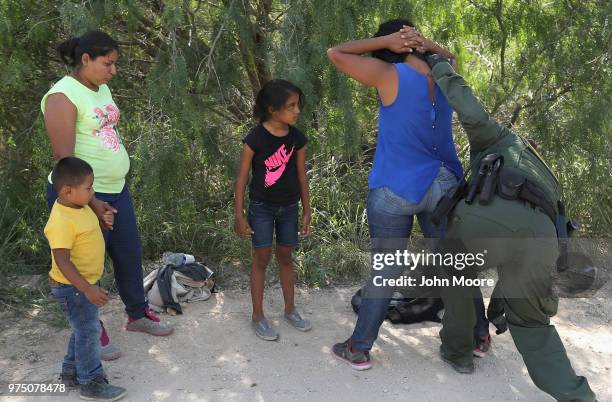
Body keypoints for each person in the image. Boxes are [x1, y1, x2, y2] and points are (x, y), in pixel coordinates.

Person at [419, 50, 597, 400]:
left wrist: (437, 64)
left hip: (485, 219)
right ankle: (579, 397)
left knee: (454, 278)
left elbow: (469, 109)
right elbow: (539, 252)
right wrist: (502, 305)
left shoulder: (503, 139)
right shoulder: (551, 184)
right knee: (534, 327)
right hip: (543, 239)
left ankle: (458, 353)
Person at [326, 19, 490, 370]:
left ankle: (358, 348)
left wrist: (383, 40)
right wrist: (426, 44)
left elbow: (335, 53)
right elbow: (450, 57)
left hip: (395, 188)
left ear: (392, 44)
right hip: (443, 186)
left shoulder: (389, 74)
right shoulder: (445, 75)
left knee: (386, 268)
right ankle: (479, 335)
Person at [41, 31, 173, 361]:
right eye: (108, 63)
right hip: (81, 197)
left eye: (115, 64)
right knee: (86, 264)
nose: (113, 71)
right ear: (85, 59)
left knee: (129, 253)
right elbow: (64, 160)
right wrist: (93, 202)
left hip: (116, 190)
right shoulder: (62, 96)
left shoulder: (100, 87)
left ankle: (137, 314)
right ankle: (91, 327)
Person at [234, 79, 312, 340]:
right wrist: (239, 215)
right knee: (261, 259)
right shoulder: (255, 138)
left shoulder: (297, 139)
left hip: (289, 207)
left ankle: (290, 310)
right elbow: (242, 179)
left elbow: (302, 176)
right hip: (262, 208)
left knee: (286, 257)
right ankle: (258, 316)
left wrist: (307, 210)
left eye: (298, 105)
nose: (297, 110)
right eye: (291, 106)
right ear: (272, 109)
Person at [45, 157, 127, 401]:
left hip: (83, 285)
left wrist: (105, 220)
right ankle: (90, 382)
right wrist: (87, 289)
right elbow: (62, 261)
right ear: (68, 191)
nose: (93, 192)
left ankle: (70, 373)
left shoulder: (79, 207)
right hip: (74, 287)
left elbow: (91, 231)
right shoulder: (61, 220)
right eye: (89, 188)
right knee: (89, 330)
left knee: (82, 329)